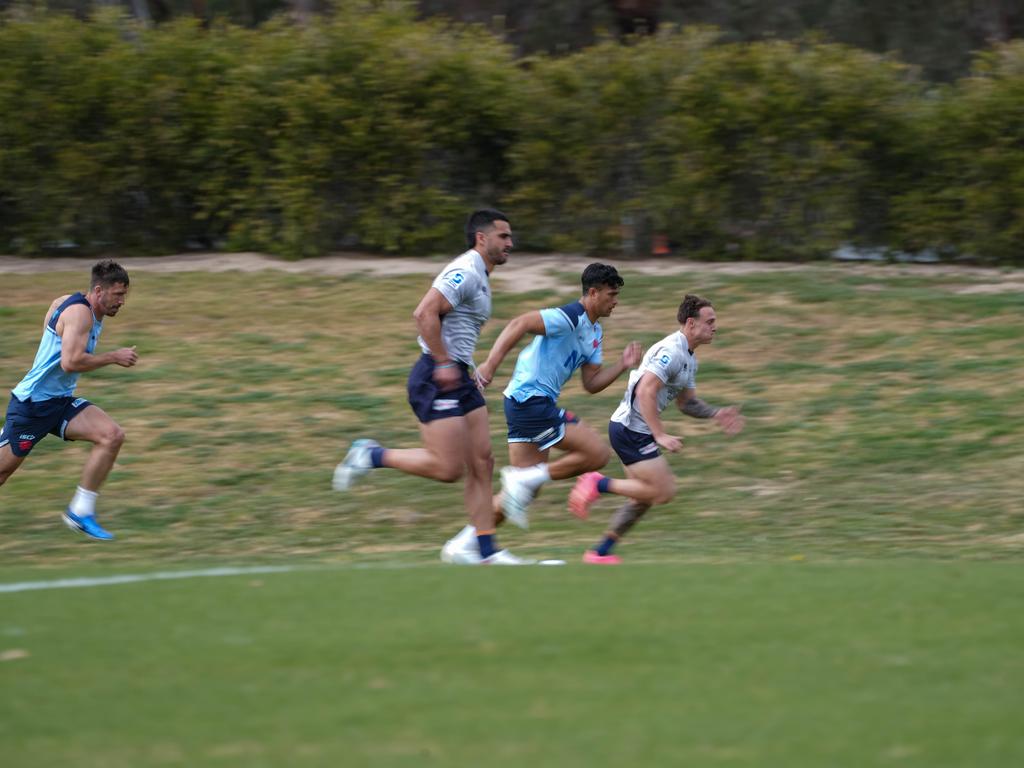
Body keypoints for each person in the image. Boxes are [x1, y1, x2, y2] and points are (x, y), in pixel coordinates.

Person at [332, 209, 528, 565]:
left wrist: (463, 368)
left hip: (460, 376)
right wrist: (442, 363)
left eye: (510, 237)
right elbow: (424, 313)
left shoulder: (482, 275)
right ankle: (371, 455)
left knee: (482, 462)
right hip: (436, 375)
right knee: (448, 469)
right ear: (481, 238)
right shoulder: (466, 270)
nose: (510, 243)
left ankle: (484, 551)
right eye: (503, 237)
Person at [439, 263, 642, 563]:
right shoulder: (569, 317)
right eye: (611, 294)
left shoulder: (594, 332)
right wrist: (490, 366)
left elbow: (591, 383)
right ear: (593, 292)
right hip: (529, 400)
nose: (616, 301)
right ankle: (523, 483)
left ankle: (465, 544)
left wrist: (622, 365)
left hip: (524, 404)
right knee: (597, 454)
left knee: (522, 493)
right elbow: (519, 323)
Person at [568, 293, 745, 564]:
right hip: (630, 429)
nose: (714, 327)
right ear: (691, 323)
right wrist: (660, 434)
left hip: (633, 429)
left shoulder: (689, 358)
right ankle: (597, 482)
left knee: (642, 498)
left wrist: (716, 413)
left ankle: (599, 553)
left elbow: (687, 403)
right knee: (664, 491)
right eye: (709, 321)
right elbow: (645, 391)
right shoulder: (671, 352)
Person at [0, 260, 139, 540]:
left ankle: (80, 511)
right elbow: (70, 362)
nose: (122, 301)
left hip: (59, 402)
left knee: (111, 436)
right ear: (99, 291)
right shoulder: (81, 314)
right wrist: (114, 357)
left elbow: (52, 324)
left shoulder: (69, 303)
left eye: (124, 295)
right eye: (118, 294)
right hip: (33, 406)